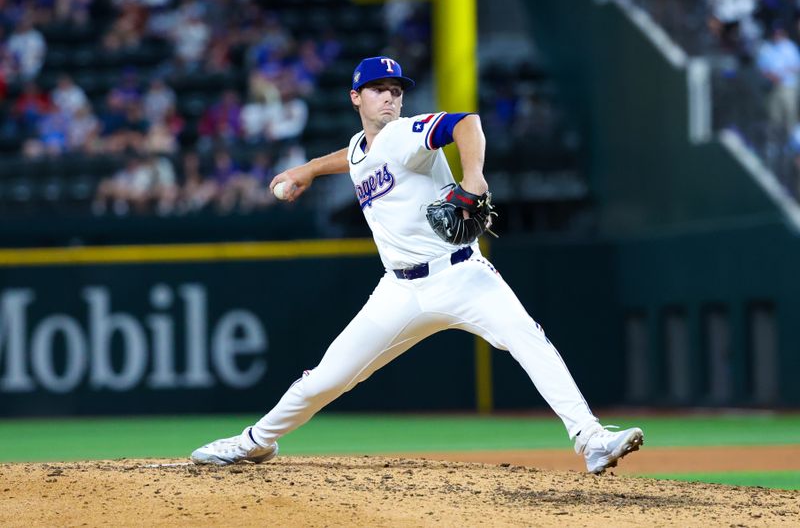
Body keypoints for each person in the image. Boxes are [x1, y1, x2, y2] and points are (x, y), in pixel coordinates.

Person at [190, 56, 644, 474]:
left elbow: (467, 123)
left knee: (529, 339)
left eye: (396, 89)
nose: (389, 96)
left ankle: (591, 438)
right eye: (377, 89)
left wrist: (474, 177)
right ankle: (256, 442)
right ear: (355, 97)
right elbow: (351, 158)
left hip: (462, 275)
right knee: (328, 378)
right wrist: (305, 170)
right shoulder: (360, 148)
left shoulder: (404, 134)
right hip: (400, 290)